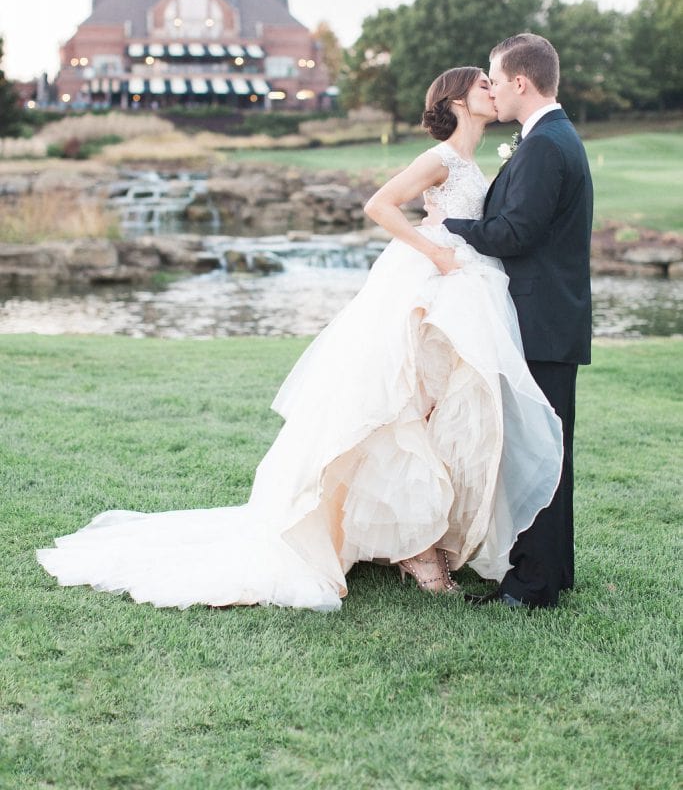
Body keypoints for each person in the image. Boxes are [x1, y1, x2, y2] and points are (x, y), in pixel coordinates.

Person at [37, 66, 563, 612]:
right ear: (456, 100)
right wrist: (434, 254)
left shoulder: (472, 161)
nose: (491, 89)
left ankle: (419, 535)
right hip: (427, 288)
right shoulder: (442, 159)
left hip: (460, 293)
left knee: (439, 410)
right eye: (481, 84)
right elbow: (379, 204)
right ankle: (417, 550)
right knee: (406, 407)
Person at [436, 34, 593, 609]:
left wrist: (451, 227)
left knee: (536, 449)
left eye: (496, 81)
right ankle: (548, 572)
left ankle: (531, 586)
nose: (492, 90)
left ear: (521, 83)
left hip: (544, 324)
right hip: (550, 319)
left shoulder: (546, 146)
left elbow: (513, 234)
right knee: (546, 449)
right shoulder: (549, 137)